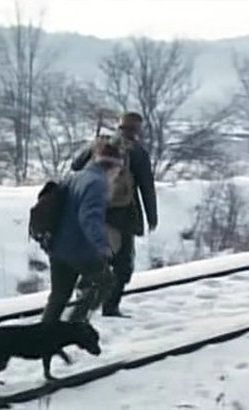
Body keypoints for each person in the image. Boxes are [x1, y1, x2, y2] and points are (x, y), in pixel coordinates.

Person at [71, 111, 158, 317]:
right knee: (123, 264)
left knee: (96, 257)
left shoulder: (99, 144)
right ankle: (110, 306)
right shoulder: (137, 153)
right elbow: (146, 186)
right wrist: (151, 216)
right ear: (137, 130)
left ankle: (83, 300)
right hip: (122, 216)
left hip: (94, 210)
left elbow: (76, 165)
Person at [41, 137, 125, 323]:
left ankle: (43, 333)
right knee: (106, 282)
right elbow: (90, 218)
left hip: (58, 247)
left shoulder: (75, 177)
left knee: (59, 296)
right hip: (79, 249)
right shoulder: (97, 184)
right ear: (113, 167)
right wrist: (102, 246)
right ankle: (75, 324)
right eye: (118, 171)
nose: (117, 176)